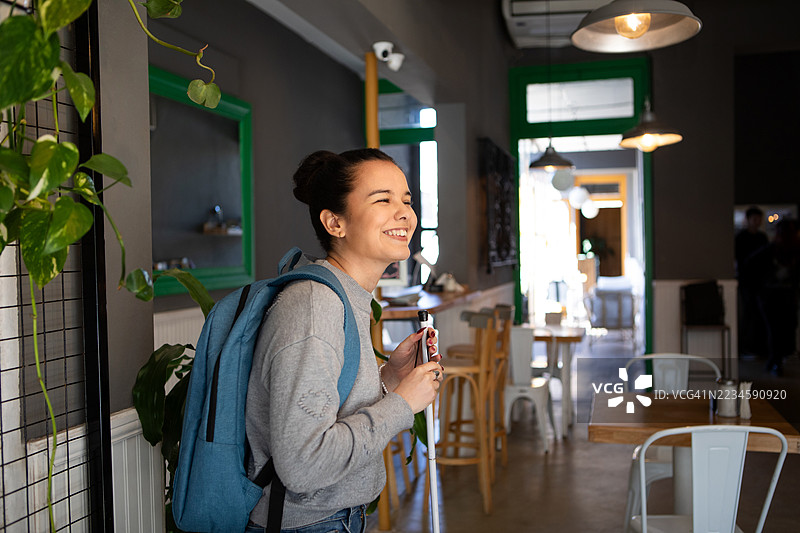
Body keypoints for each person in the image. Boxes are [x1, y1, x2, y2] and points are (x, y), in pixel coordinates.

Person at [245, 148, 443, 533]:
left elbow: (329, 407)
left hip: (332, 519)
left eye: (406, 200)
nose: (404, 213)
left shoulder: (342, 296)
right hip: (308, 525)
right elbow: (304, 465)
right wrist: (403, 404)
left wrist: (389, 379)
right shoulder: (315, 307)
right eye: (382, 199)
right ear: (335, 223)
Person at [735, 206, 769, 356]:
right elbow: (740, 260)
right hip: (746, 282)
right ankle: (745, 348)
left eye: (758, 219)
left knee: (762, 315)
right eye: (754, 219)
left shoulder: (762, 238)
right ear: (748, 220)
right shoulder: (741, 238)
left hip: (761, 282)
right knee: (748, 314)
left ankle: (760, 348)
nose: (757, 222)